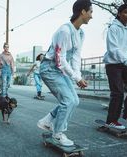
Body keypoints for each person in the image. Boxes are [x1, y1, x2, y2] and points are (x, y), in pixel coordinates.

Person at [37, 0, 92, 146]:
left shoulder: (81, 33)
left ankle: (47, 120)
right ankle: (57, 134)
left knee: (74, 100)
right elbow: (59, 59)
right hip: (49, 69)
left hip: (60, 70)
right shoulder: (64, 31)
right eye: (90, 12)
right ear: (83, 12)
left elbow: (76, 57)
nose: (91, 16)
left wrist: (78, 77)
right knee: (68, 101)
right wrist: (76, 78)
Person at [103, 3, 127, 129]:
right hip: (113, 64)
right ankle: (112, 120)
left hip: (125, 63)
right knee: (118, 92)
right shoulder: (113, 28)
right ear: (119, 14)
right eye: (125, 12)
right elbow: (113, 49)